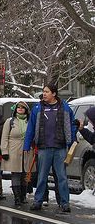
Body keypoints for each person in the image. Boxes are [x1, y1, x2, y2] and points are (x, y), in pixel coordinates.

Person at [24, 83, 77, 213]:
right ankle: (38, 201)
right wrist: (27, 144)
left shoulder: (64, 107)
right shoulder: (37, 108)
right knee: (42, 177)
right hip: (43, 147)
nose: (44, 94)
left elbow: (71, 125)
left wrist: (71, 142)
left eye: (47, 91)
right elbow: (30, 127)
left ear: (54, 94)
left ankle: (64, 203)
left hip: (60, 147)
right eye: (43, 91)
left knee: (62, 177)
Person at [0, 101, 35, 206]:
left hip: (27, 150)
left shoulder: (30, 121)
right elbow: (4, 137)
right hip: (14, 150)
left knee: (25, 174)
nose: (20, 109)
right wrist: (4, 151)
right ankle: (17, 197)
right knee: (15, 173)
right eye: (18, 107)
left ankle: (23, 195)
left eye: (22, 107)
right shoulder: (10, 122)